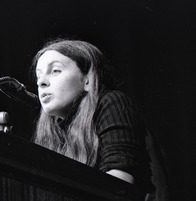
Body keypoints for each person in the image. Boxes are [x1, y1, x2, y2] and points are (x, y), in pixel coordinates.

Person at [31, 39, 154, 198]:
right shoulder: (54, 131)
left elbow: (119, 184)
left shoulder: (112, 102)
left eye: (55, 70)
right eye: (38, 76)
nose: (41, 82)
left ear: (87, 79)